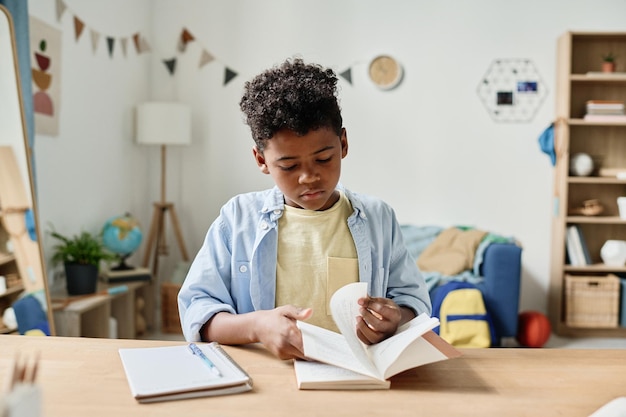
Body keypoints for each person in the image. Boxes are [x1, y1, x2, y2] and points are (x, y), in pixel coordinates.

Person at [178, 57, 431, 360]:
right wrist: (256, 326)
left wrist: (395, 319)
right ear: (261, 160)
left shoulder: (378, 217)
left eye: (324, 159)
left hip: (356, 374)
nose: (309, 177)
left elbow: (414, 302)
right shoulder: (237, 218)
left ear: (344, 144)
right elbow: (198, 311)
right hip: (267, 377)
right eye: (288, 165)